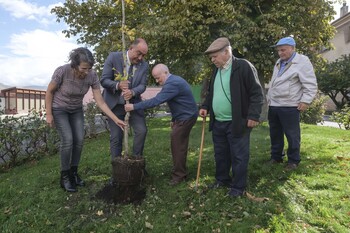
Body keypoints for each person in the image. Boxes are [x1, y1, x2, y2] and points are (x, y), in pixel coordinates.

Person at [46, 47, 125, 192]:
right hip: (59, 109)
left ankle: (74, 173)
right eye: (84, 68)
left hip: (76, 109)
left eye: (89, 68)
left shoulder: (92, 75)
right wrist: (49, 114)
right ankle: (65, 177)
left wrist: (115, 119)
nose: (86, 71)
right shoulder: (62, 71)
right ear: (74, 64)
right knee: (68, 140)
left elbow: (100, 101)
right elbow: (49, 91)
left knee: (80, 140)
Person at [199, 37, 264, 197]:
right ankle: (222, 180)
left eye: (215, 56)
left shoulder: (243, 66)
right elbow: (212, 92)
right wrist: (205, 106)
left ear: (226, 52)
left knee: (239, 156)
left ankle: (238, 187)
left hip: (237, 122)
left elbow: (257, 93)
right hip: (219, 122)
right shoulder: (216, 70)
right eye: (211, 57)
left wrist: (253, 115)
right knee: (220, 154)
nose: (212, 60)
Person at [125, 64, 198, 186]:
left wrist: (133, 106)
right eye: (155, 78)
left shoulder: (172, 84)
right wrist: (174, 119)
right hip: (184, 116)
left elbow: (156, 101)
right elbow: (178, 102)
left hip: (186, 118)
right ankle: (180, 171)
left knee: (178, 145)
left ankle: (179, 176)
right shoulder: (173, 81)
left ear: (165, 72)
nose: (157, 81)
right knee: (179, 144)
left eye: (158, 78)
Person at [266, 36, 317, 170]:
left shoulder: (302, 61)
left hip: (290, 105)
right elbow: (274, 82)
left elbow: (310, 83)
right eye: (278, 51)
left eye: (283, 50)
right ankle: (276, 157)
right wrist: (269, 98)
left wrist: (305, 101)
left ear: (293, 48)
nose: (280, 53)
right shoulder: (279, 62)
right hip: (274, 104)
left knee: (292, 135)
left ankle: (293, 161)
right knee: (275, 133)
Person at [101, 38, 149, 161]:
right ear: (131, 48)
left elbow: (142, 85)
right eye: (139, 53)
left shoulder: (144, 65)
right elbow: (104, 80)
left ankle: (137, 163)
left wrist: (132, 92)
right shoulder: (113, 57)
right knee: (116, 137)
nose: (140, 58)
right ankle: (117, 170)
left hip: (134, 104)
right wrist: (118, 85)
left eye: (143, 55)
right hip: (115, 105)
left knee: (141, 131)